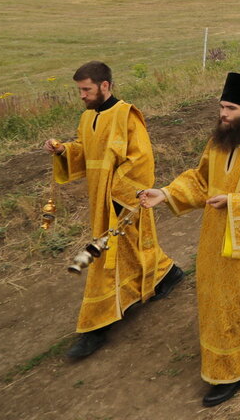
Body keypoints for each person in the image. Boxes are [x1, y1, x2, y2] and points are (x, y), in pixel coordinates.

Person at [138, 73, 240, 408]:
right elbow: (199, 180)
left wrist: (236, 202)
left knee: (238, 302)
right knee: (213, 299)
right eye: (222, 106)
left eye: (231, 108)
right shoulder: (218, 143)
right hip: (213, 240)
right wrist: (165, 193)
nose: (223, 114)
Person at [45, 61, 184, 359]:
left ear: (104, 85)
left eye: (86, 89)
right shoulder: (87, 118)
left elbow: (141, 159)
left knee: (102, 263)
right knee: (133, 248)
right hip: (100, 202)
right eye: (79, 90)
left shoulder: (126, 115)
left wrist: (121, 198)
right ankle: (168, 274)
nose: (81, 95)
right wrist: (63, 152)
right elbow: (84, 151)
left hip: (123, 201)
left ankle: (94, 328)